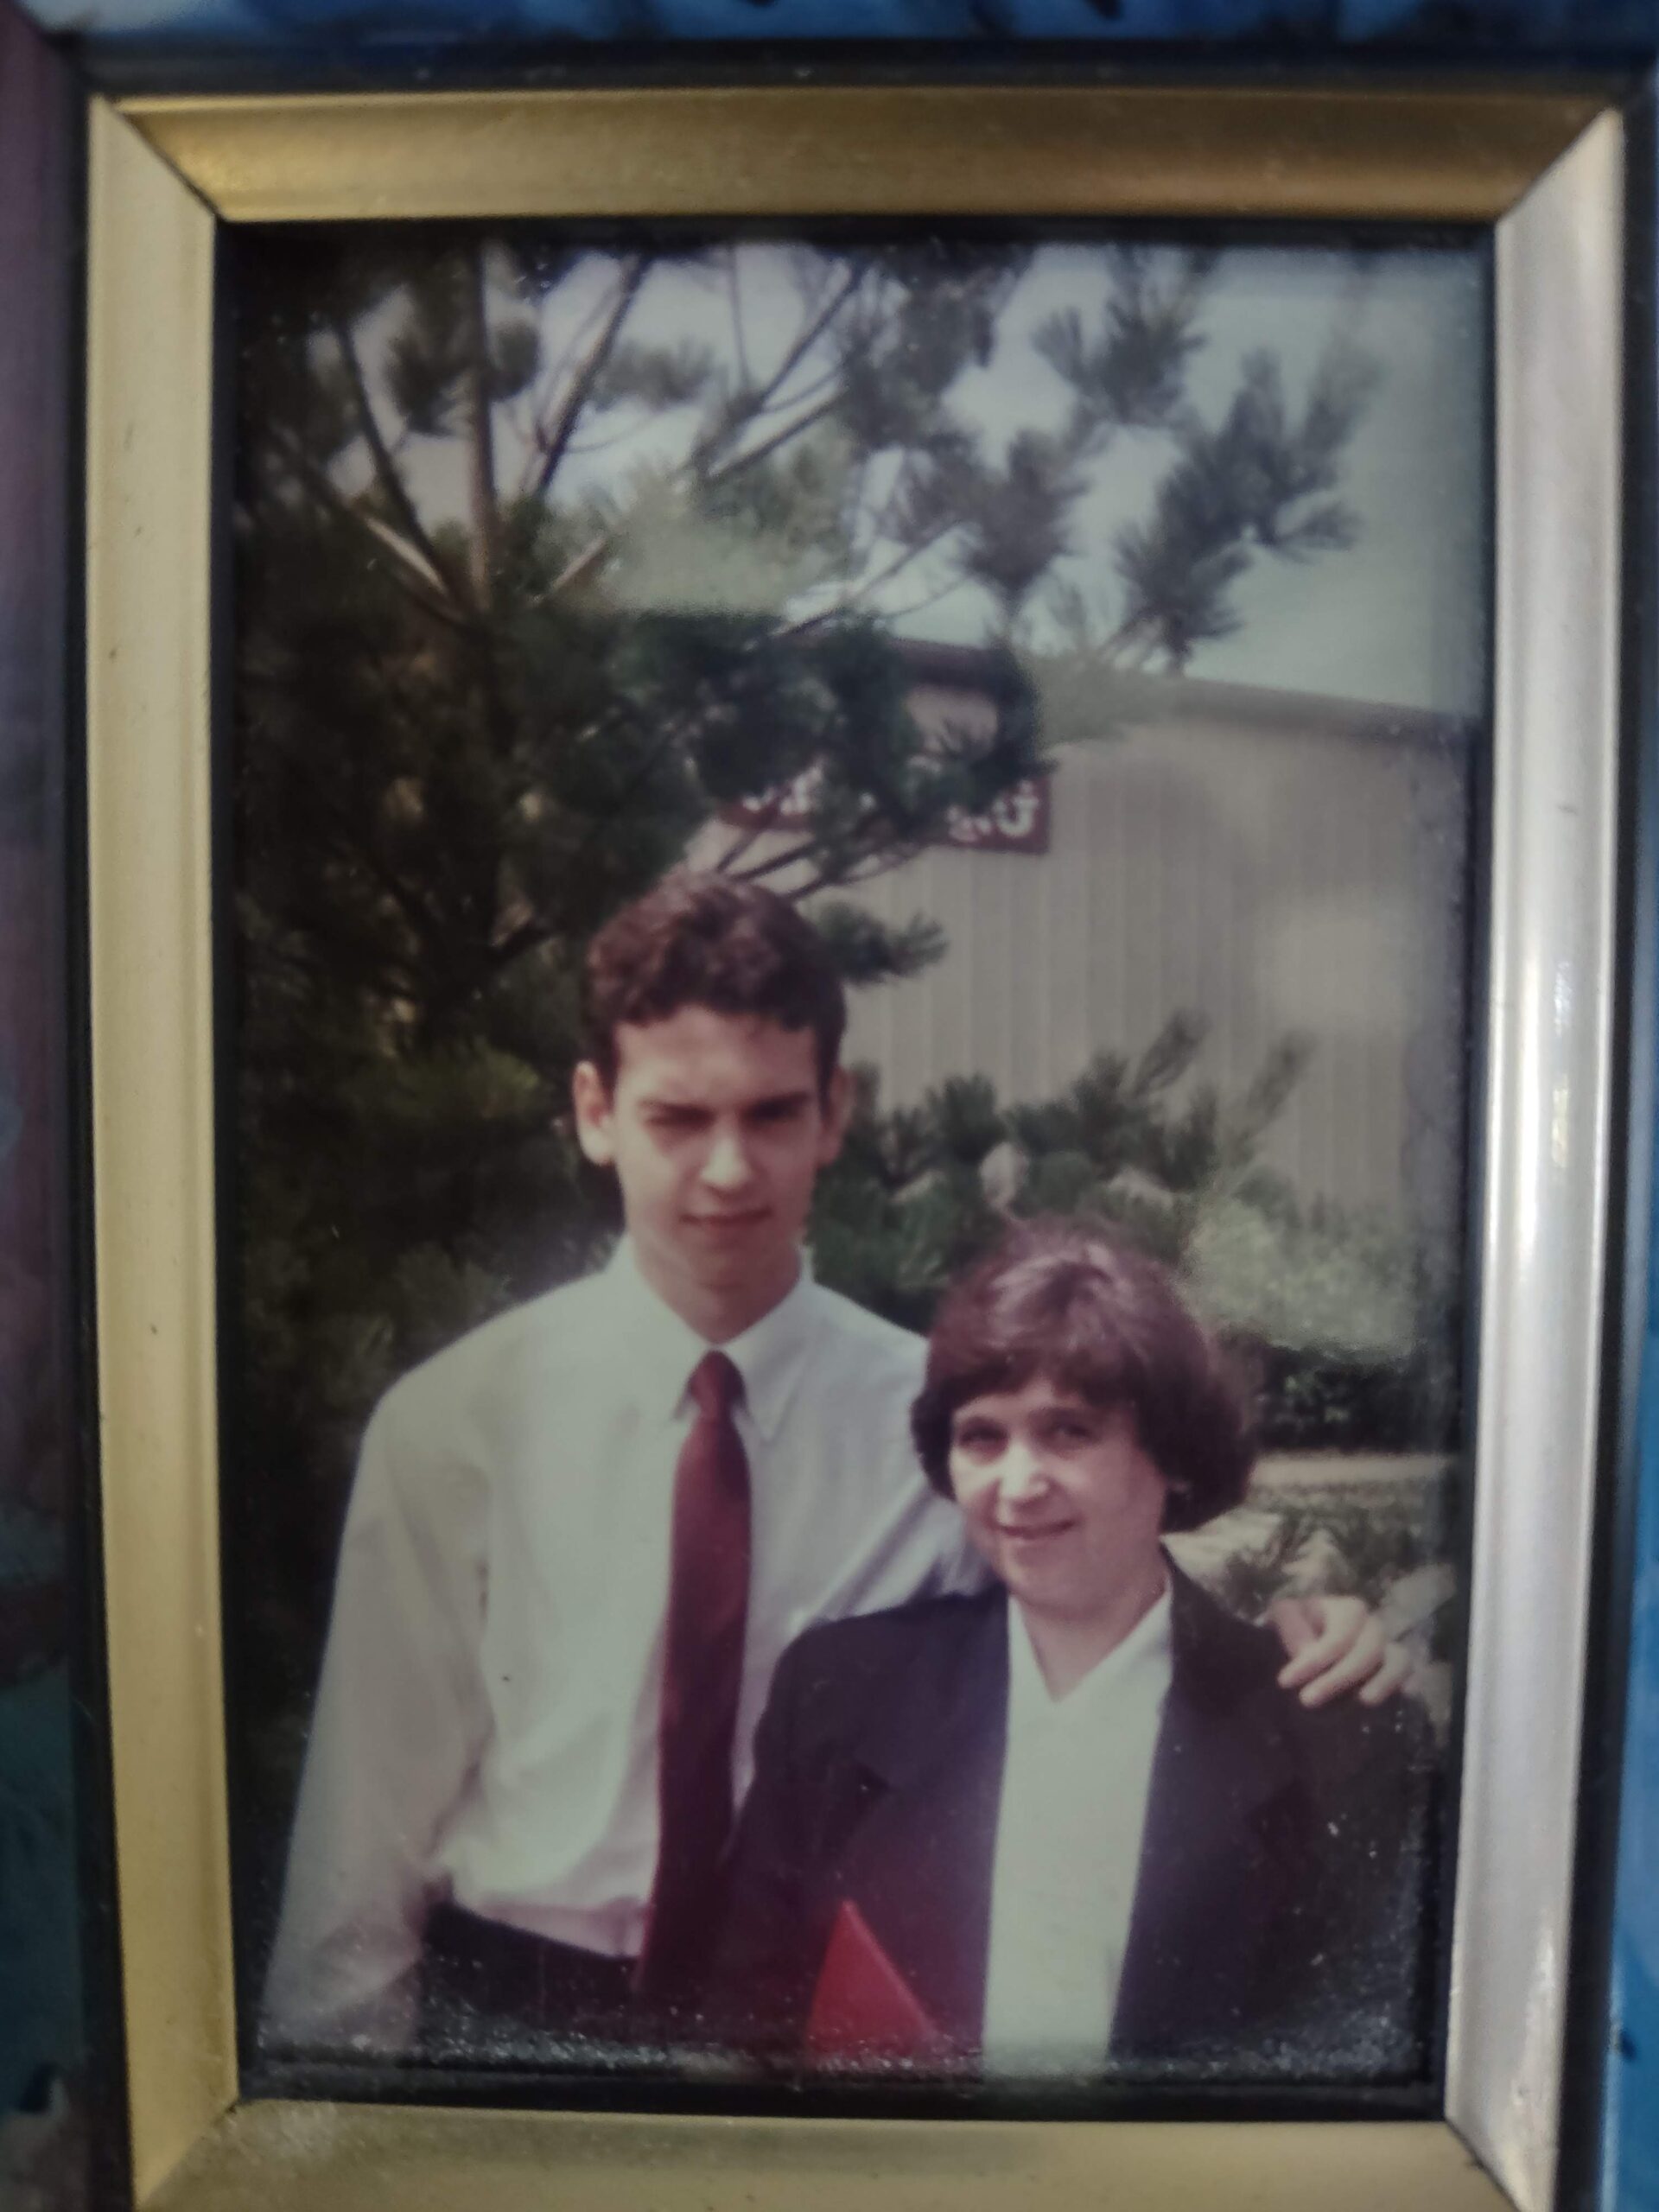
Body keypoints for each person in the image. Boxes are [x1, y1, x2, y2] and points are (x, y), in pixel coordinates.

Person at [263, 874, 1408, 2058]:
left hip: (806, 2025)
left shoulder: (944, 1416)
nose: (726, 1171)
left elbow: (1098, 1588)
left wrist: (1304, 1635)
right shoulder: (456, 1426)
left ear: (833, 1112)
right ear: (598, 1111)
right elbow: (356, 1862)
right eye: (676, 1119)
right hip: (518, 2016)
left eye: (768, 1114)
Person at [707, 1220, 1434, 2080]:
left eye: (1069, 1431)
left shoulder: (1332, 1737)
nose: (1019, 1483)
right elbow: (739, 2039)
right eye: (984, 1436)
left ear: (1170, 1454)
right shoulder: (838, 1693)